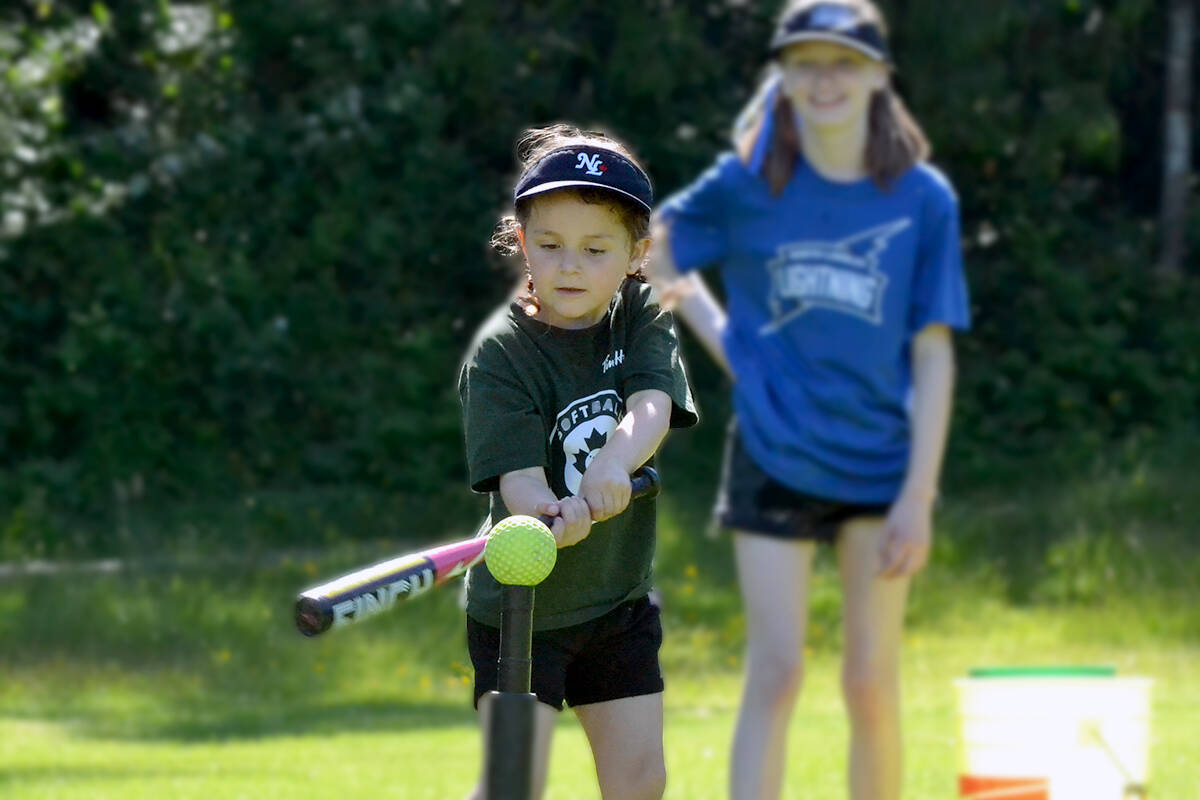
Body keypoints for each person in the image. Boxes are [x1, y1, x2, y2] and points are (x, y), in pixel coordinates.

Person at [647, 2, 971, 799]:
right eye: (805, 64)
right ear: (782, 79)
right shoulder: (746, 186)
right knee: (778, 671)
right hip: (773, 450)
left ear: (878, 78)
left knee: (870, 680)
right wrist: (716, 332)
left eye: (844, 63)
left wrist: (919, 497)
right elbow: (651, 247)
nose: (825, 80)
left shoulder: (922, 199)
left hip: (881, 466)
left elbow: (933, 355)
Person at [459, 124, 698, 800]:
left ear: (635, 253)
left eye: (595, 250)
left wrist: (613, 465)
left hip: (617, 600)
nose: (569, 267)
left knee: (639, 783)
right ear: (523, 239)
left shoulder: (640, 310)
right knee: (513, 787)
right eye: (551, 245)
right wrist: (547, 515)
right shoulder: (502, 353)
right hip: (520, 610)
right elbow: (518, 479)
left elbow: (651, 402)